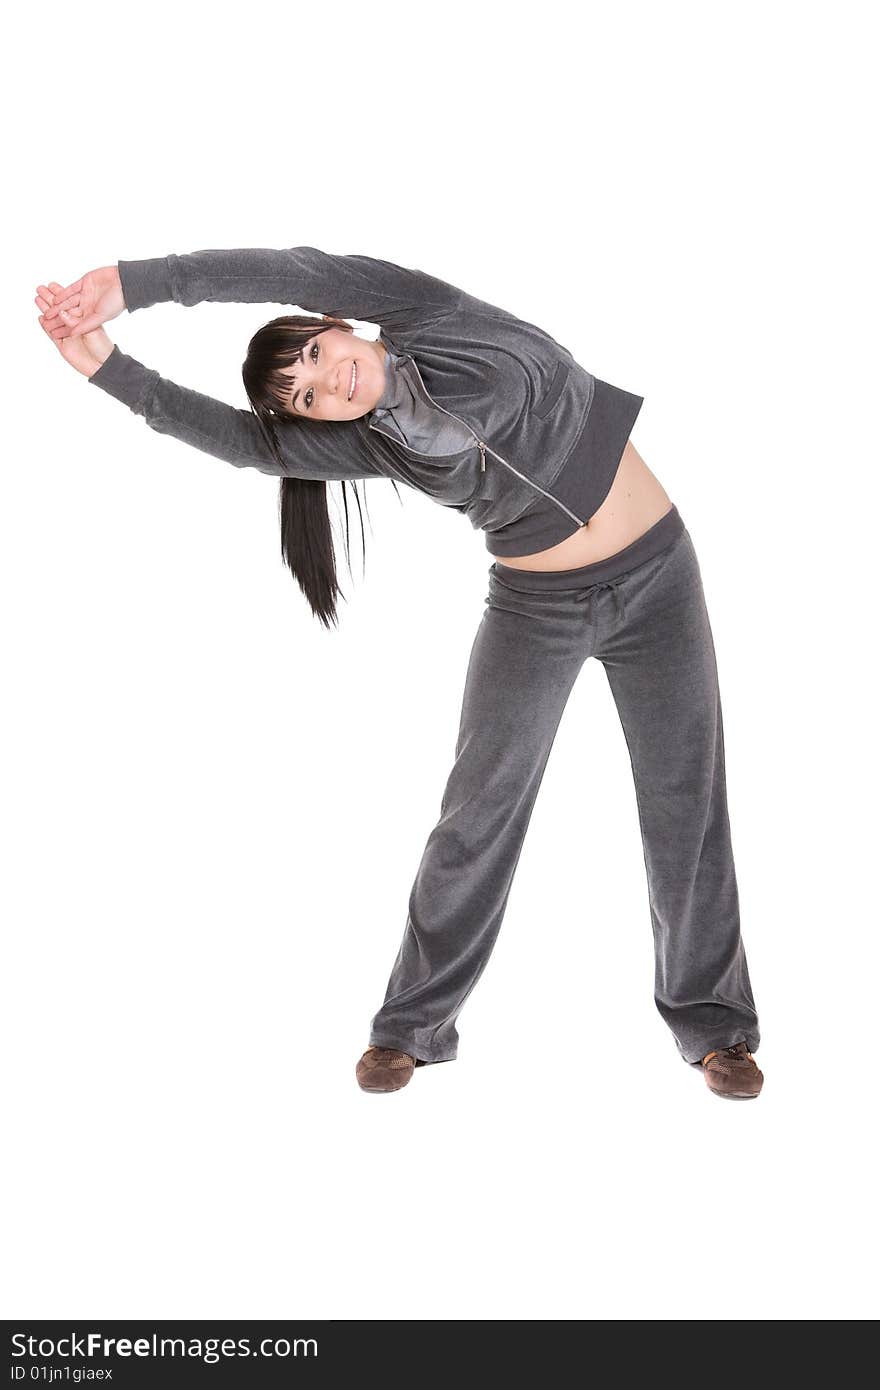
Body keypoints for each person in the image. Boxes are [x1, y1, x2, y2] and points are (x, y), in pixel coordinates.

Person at [36, 246, 763, 1101]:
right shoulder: (376, 446)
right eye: (302, 397)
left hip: (659, 578)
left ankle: (717, 1029)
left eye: (312, 355)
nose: (323, 382)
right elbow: (243, 444)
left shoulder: (427, 314)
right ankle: (409, 1029)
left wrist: (137, 287)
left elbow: (288, 268)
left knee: (685, 797)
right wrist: (105, 369)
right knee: (479, 809)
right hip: (537, 608)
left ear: (336, 324)